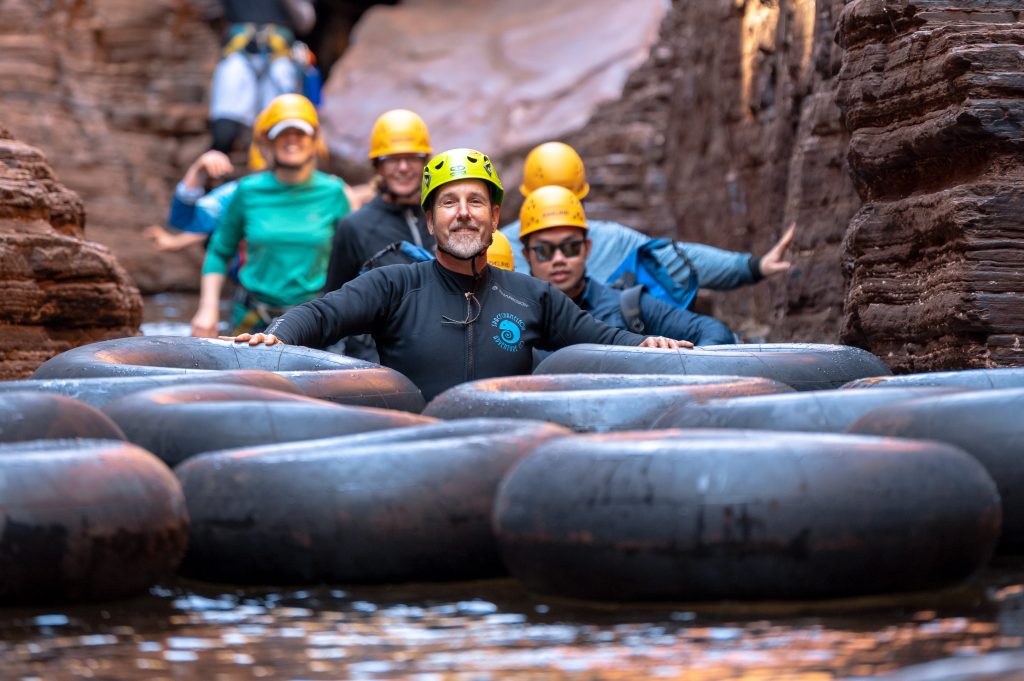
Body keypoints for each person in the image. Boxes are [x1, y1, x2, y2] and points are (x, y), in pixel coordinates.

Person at [224, 148, 690, 401]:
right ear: (430, 221)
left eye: (475, 202)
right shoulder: (395, 286)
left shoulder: (534, 297)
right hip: (420, 456)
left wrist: (648, 345)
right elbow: (325, 313)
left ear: (493, 217)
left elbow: (603, 339)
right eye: (449, 202)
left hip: (504, 456)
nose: (463, 214)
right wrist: (278, 335)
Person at [501, 141, 795, 291]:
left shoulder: (498, 246)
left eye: (569, 247)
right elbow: (680, 261)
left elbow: (679, 260)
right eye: (544, 251)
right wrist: (751, 267)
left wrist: (752, 266)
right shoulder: (611, 240)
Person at [191, 93, 350, 337]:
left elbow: (353, 259)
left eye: (300, 133)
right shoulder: (247, 191)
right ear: (268, 141)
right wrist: (207, 308)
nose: (291, 141)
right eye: (282, 134)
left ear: (314, 139)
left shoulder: (334, 193)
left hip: (313, 322)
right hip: (252, 320)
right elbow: (219, 251)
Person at [520, 185, 735, 345]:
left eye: (570, 248)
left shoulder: (627, 306)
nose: (559, 259)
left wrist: (684, 370)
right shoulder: (515, 314)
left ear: (587, 248)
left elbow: (713, 330)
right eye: (545, 251)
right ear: (526, 255)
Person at [323, 109, 436, 293]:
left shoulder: (441, 216)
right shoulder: (356, 228)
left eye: (412, 157)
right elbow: (333, 300)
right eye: (391, 159)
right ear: (378, 166)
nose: (403, 168)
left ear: (425, 162)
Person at [209, 0, 317, 154]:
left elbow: (306, 22)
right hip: (239, 50)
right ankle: (217, 165)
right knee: (225, 130)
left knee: (281, 122)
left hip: (279, 55)